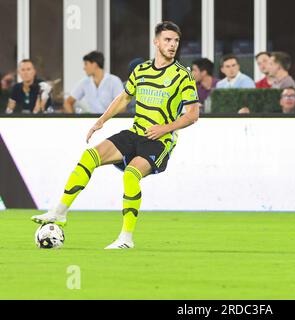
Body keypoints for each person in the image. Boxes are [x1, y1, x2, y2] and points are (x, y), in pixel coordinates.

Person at [31, 21, 200, 249]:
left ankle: (126, 239)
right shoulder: (141, 71)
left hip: (159, 141)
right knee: (90, 156)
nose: (172, 45)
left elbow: (192, 114)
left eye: (176, 41)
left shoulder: (182, 76)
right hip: (135, 133)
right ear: (156, 42)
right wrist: (101, 121)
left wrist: (165, 128)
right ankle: (60, 212)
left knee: (131, 175)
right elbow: (124, 98)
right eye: (168, 40)